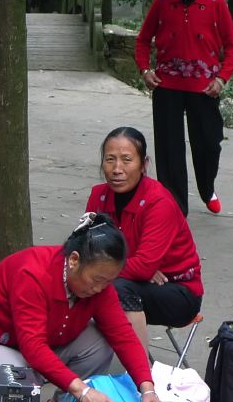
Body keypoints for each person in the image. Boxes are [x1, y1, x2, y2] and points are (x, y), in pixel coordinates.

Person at [0, 212, 170, 402]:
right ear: (74, 260)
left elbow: (122, 334)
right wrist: (82, 390)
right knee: (18, 377)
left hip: (36, 346)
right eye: (97, 280)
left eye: (108, 282)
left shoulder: (99, 287)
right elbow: (33, 347)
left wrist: (147, 388)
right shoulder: (33, 274)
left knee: (101, 341)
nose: (100, 288)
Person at [134, 0, 233, 216]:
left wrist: (222, 79)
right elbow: (143, 40)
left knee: (208, 144)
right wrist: (146, 70)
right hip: (167, 87)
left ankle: (207, 188)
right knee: (169, 150)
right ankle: (174, 207)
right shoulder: (162, 2)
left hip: (205, 89)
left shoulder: (216, 3)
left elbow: (232, 46)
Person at [84, 127, 203, 352]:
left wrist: (138, 270)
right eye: (110, 159)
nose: (117, 169)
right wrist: (139, 271)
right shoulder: (98, 196)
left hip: (178, 291)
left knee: (116, 288)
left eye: (126, 160)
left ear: (144, 164)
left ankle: (140, 374)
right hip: (130, 282)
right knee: (73, 281)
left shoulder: (159, 203)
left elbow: (143, 266)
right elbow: (85, 249)